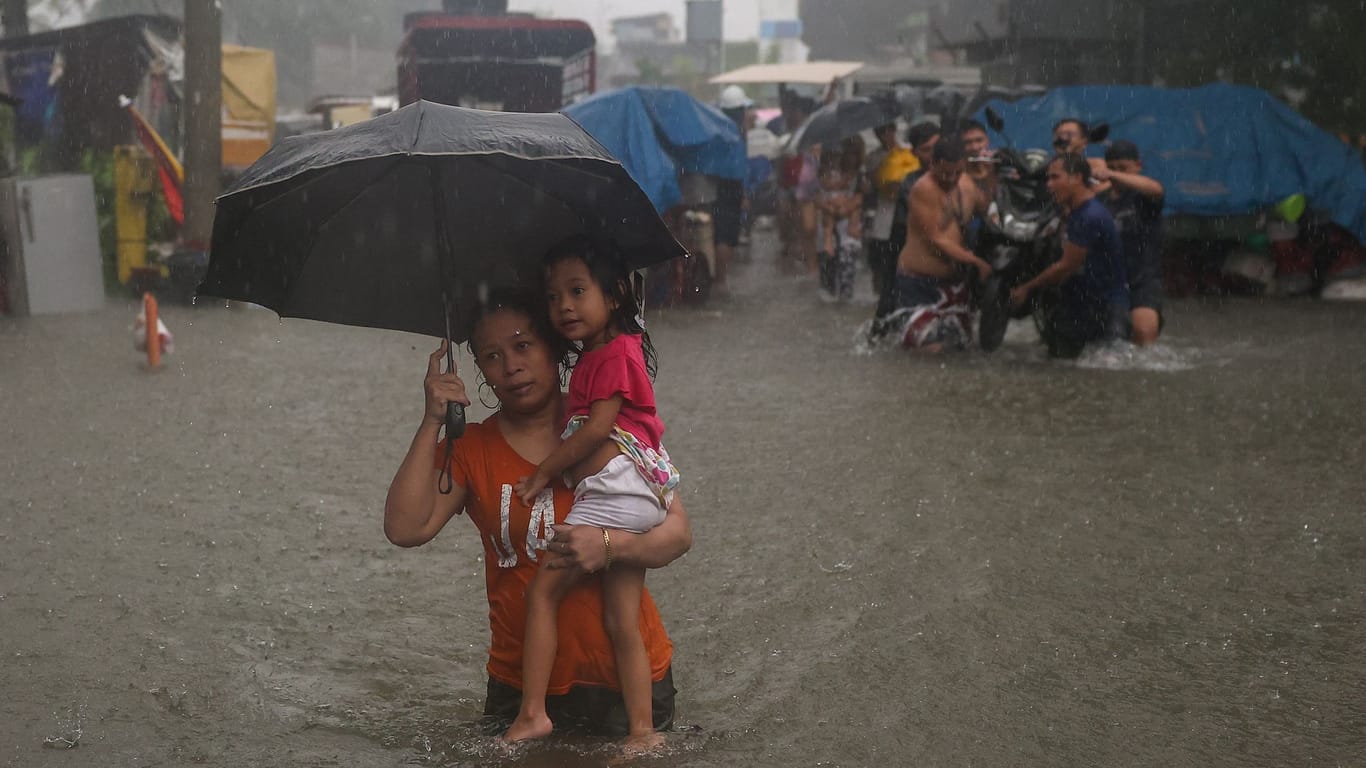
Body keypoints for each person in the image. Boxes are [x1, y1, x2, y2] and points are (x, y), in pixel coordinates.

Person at [382, 287, 692, 743]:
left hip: (625, 684)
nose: (512, 367)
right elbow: (404, 528)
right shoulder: (472, 449)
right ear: (482, 370)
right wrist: (432, 421)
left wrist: (609, 547)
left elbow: (679, 534)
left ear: (553, 347)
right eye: (492, 356)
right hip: (520, 686)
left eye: (523, 345)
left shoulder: (606, 426)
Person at [504, 237, 680, 748]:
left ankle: (533, 713)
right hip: (633, 496)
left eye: (578, 291)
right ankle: (643, 732)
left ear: (616, 295)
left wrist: (541, 474)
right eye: (554, 296)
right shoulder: (603, 355)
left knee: (542, 592)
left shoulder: (615, 354)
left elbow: (596, 429)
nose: (564, 306)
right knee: (620, 619)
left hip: (614, 494)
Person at [1010, 153, 1130, 358]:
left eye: (1055, 177)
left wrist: (1026, 288)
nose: (1049, 185)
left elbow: (1066, 266)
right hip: (1081, 302)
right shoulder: (1076, 212)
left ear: (1076, 178)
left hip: (1101, 307)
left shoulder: (1089, 216)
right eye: (1048, 178)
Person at [888, 137, 992, 352]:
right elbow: (937, 238)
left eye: (957, 172)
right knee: (929, 349)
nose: (951, 178)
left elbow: (988, 210)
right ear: (932, 164)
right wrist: (975, 261)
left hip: (954, 285)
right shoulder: (923, 189)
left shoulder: (966, 183)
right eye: (945, 173)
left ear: (963, 165)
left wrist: (990, 176)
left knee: (961, 349)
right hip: (917, 284)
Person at [1097, 139, 1166, 345]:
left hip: (1141, 280)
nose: (1118, 173)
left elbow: (1156, 189)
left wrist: (1111, 174)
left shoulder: (1144, 197)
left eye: (1124, 168)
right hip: (1108, 280)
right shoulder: (1102, 199)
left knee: (1143, 334)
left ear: (1138, 166)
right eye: (1112, 167)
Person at [871, 121, 939, 327]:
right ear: (915, 153)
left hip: (942, 260)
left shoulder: (957, 176)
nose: (934, 154)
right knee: (892, 306)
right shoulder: (912, 183)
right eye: (926, 150)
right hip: (906, 252)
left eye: (938, 147)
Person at [715, 86, 753, 297]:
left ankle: (719, 279)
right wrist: (744, 193)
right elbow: (739, 167)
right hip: (731, 187)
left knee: (721, 233)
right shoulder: (735, 133)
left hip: (718, 186)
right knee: (726, 236)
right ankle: (721, 281)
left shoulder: (717, 128)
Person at [815, 148, 864, 302]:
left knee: (846, 278)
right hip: (830, 231)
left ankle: (843, 303)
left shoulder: (860, 177)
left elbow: (859, 200)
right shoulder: (826, 178)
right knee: (828, 283)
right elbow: (818, 197)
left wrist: (844, 208)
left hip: (847, 235)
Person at [958, 118, 997, 201]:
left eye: (979, 140)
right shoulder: (956, 173)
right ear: (960, 146)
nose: (974, 147)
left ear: (987, 141)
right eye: (968, 143)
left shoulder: (998, 164)